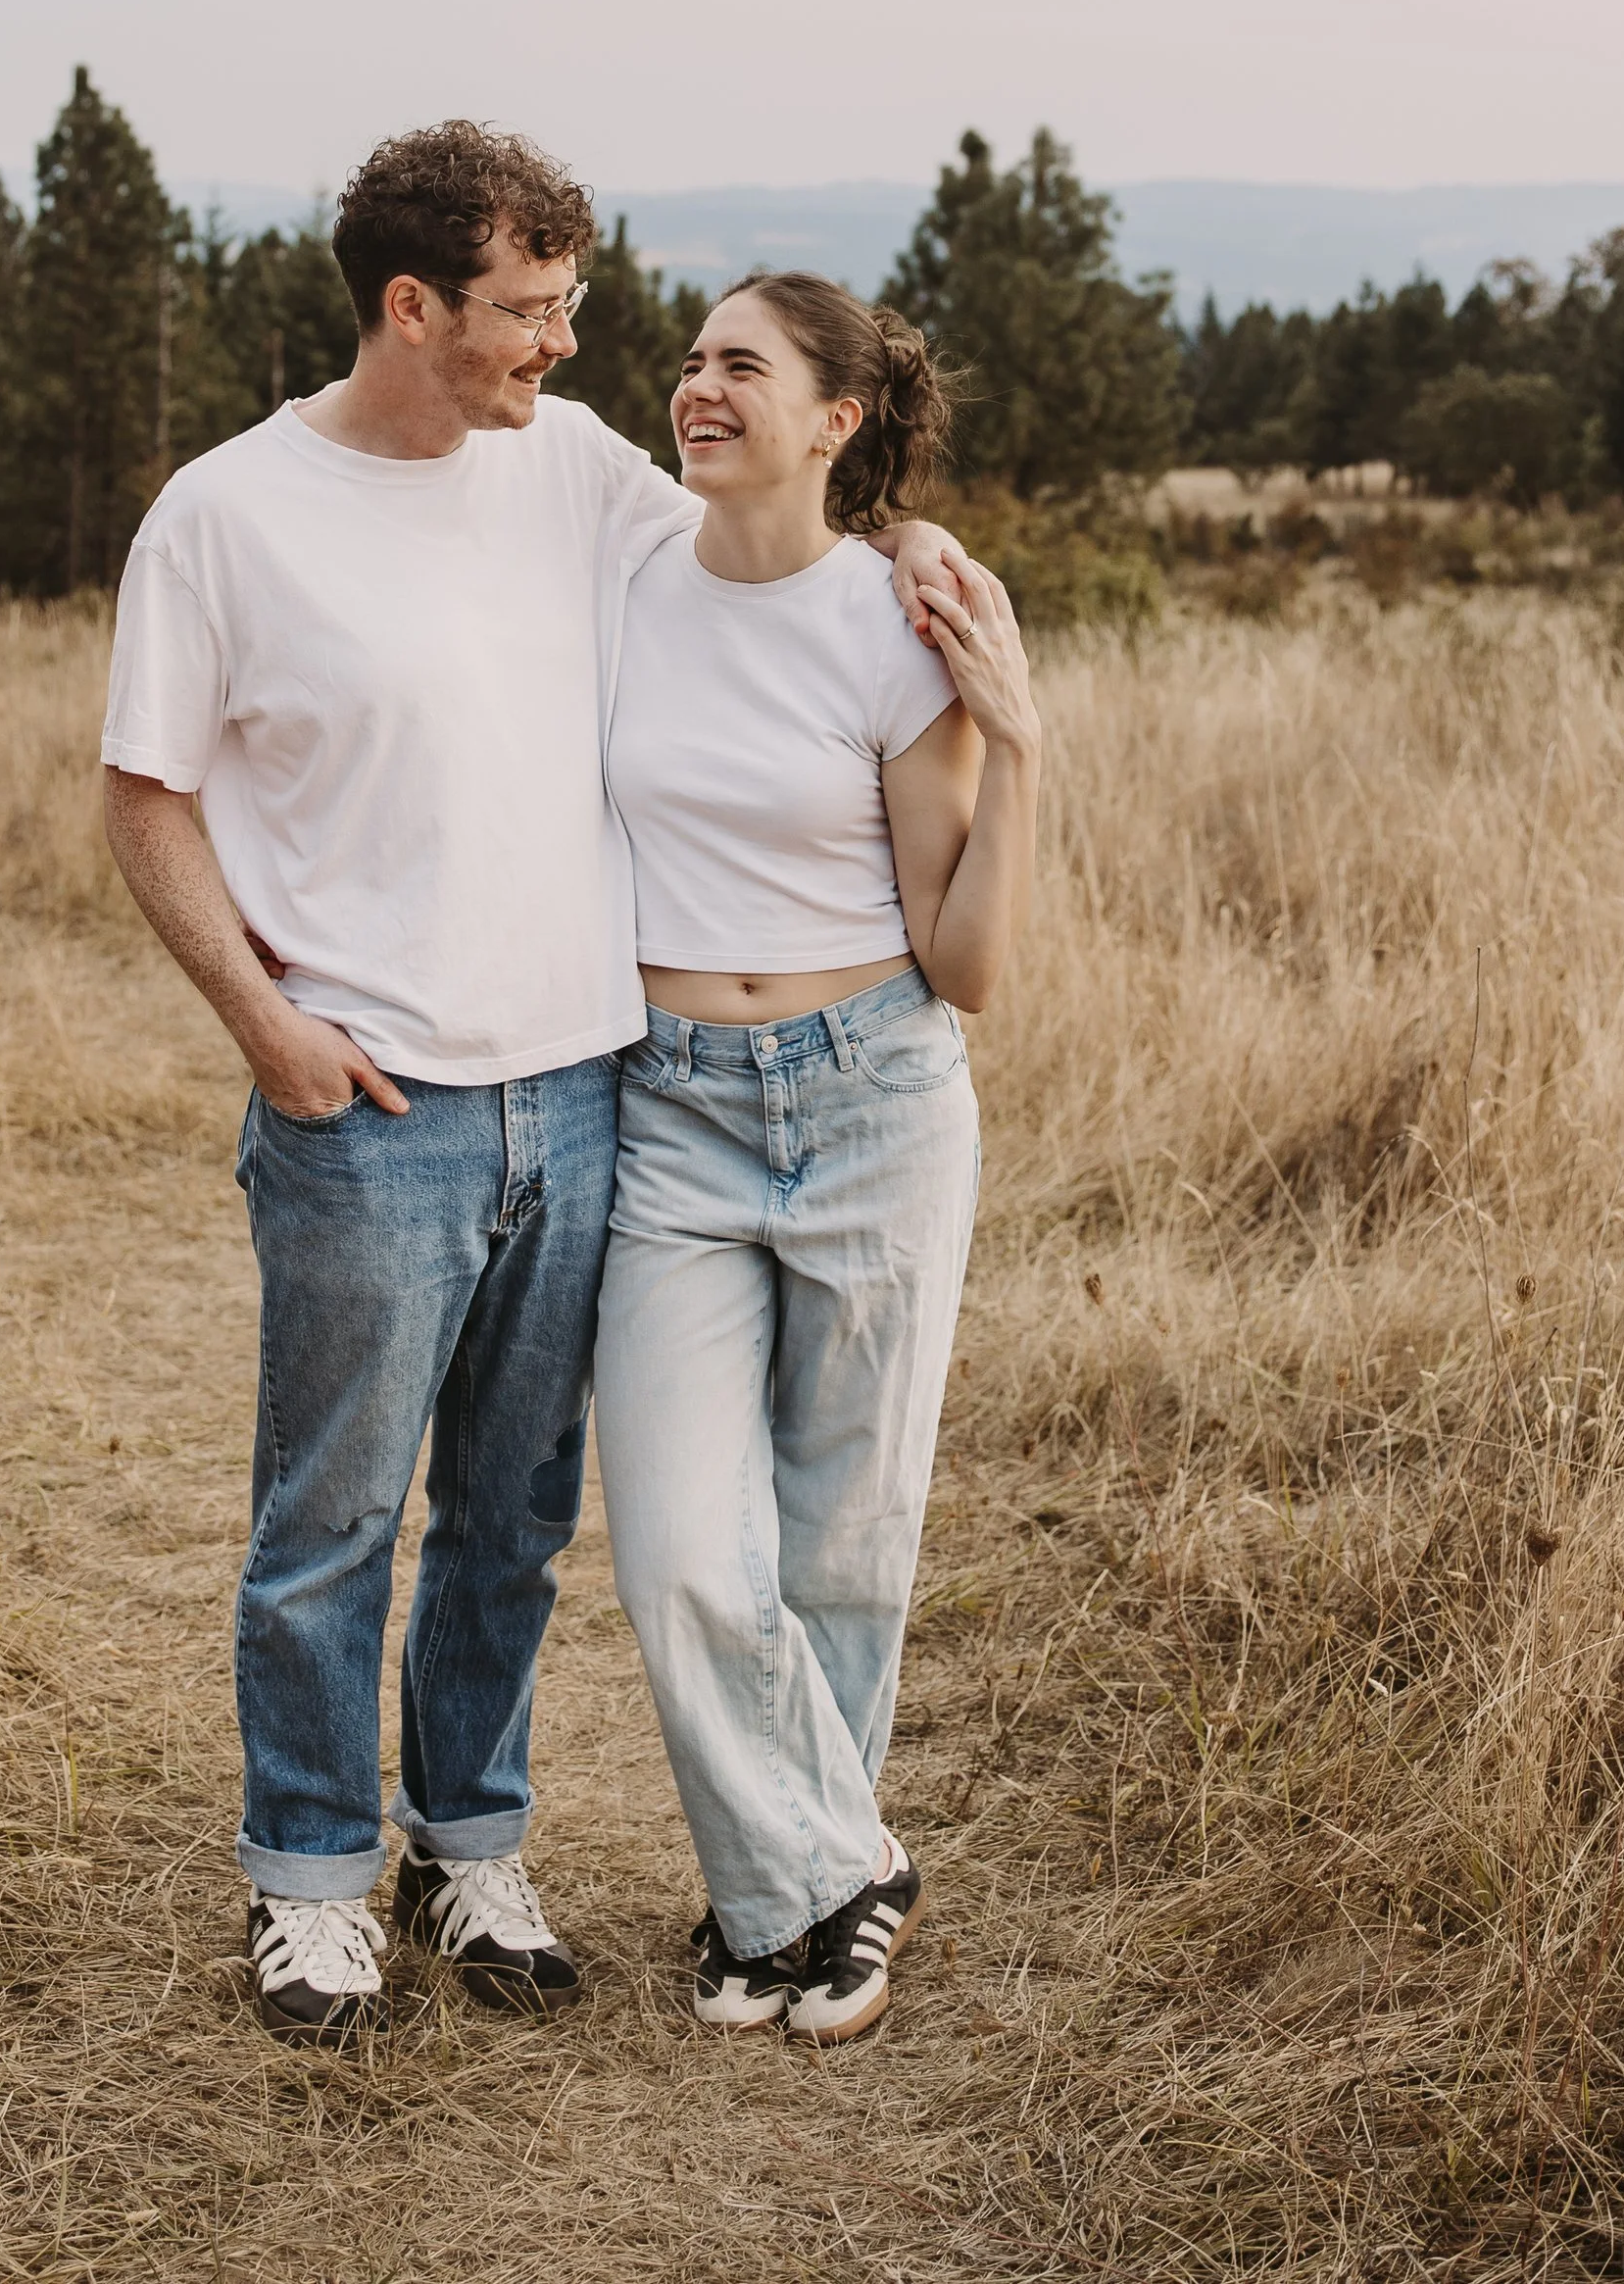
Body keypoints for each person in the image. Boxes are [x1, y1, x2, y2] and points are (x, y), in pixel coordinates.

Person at [99, 127, 953, 2045]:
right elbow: (142, 799)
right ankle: (308, 1881)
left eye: (572, 307)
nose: (566, 348)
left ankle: (466, 1844)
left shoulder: (567, 474)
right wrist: (264, 1027)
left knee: (507, 1518)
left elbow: (762, 555)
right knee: (328, 1523)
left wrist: (904, 551)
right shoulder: (224, 518)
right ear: (412, 309)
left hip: (587, 1101)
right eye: (527, 313)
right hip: (368, 1114)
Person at [593, 271, 1039, 2045]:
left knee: (846, 1539)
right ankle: (838, 1875)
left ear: (836, 417)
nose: (700, 386)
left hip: (871, 1095)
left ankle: (774, 1902)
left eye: (743, 367)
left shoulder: (897, 622)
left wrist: (1023, 745)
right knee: (685, 1546)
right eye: (693, 359)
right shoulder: (627, 578)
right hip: (675, 1112)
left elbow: (971, 966)